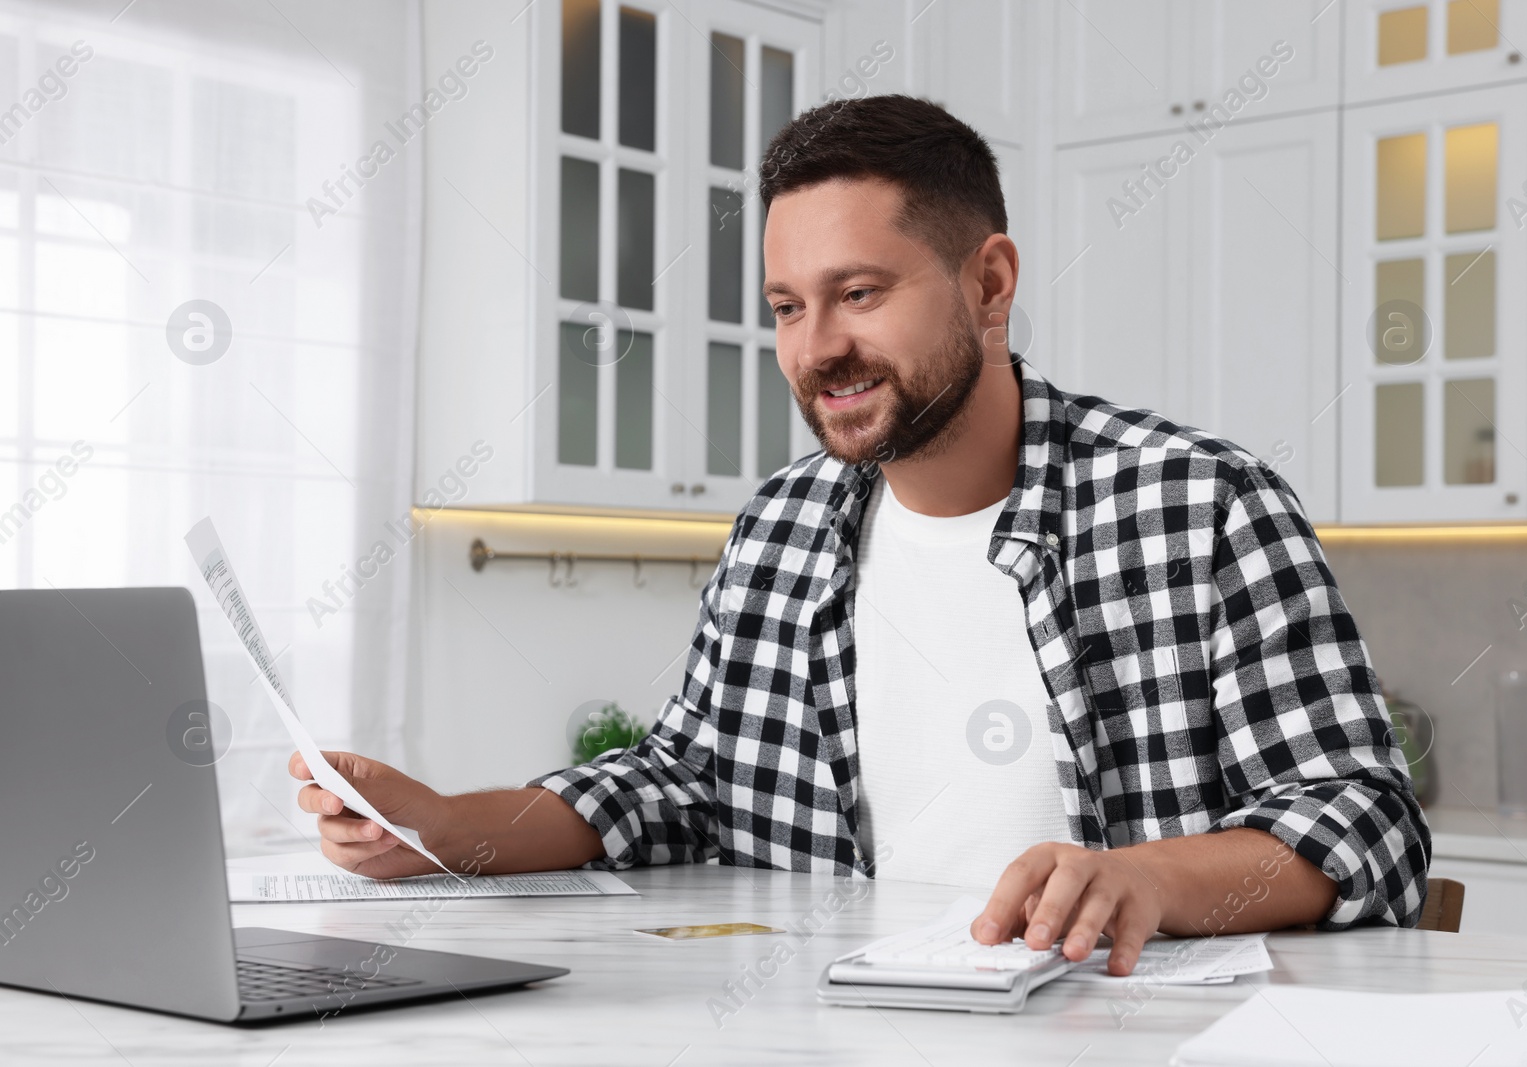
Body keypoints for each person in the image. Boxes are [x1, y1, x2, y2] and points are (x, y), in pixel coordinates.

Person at [294, 94, 1430, 976]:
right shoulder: (783, 526)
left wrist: (1146, 879)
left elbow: (1362, 817)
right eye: (788, 306)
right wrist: (449, 828)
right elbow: (679, 782)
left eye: (860, 292)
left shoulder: (1199, 505)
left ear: (988, 284)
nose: (816, 345)